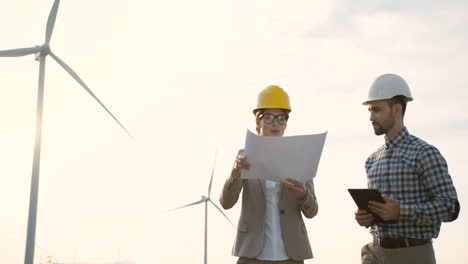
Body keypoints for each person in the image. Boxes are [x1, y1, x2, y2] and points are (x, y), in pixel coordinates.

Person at [355, 74, 460, 264]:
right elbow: (381, 213)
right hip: (375, 254)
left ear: (396, 109)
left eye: (377, 110)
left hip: (413, 255)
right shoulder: (371, 161)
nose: (370, 117)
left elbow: (450, 207)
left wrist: (401, 212)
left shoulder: (425, 153)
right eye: (370, 110)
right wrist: (367, 217)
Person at [220, 85, 318, 264]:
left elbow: (312, 212)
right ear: (257, 122)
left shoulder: (298, 158)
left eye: (281, 118)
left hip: (291, 256)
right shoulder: (245, 156)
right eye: (268, 117)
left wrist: (303, 195)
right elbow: (226, 203)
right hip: (252, 255)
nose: (275, 123)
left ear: (286, 123)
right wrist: (235, 176)